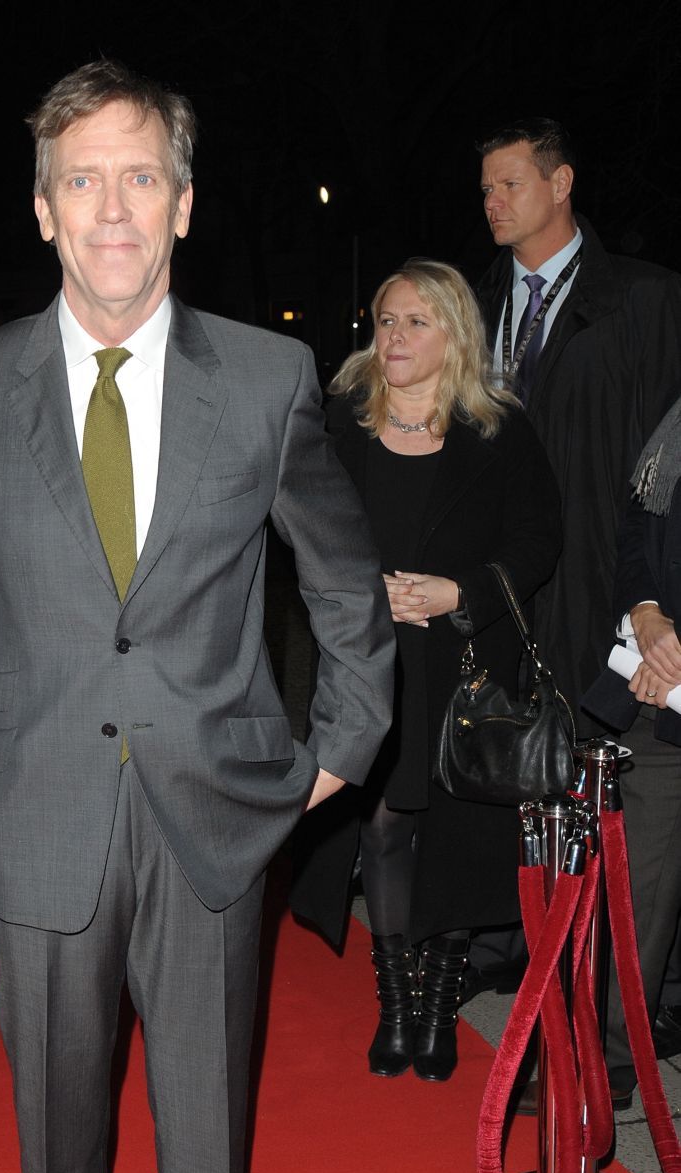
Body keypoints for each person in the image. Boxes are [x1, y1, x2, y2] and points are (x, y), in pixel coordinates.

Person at [0, 59, 393, 1173]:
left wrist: (341, 740)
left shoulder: (268, 378)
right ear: (43, 209)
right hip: (34, 806)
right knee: (57, 1119)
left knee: (206, 1116)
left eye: (138, 178)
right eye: (82, 180)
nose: (111, 208)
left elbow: (342, 582)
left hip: (211, 815)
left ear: (181, 203)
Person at [291, 261, 561, 1081]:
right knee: (380, 824)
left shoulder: (499, 430)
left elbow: (539, 540)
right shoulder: (340, 423)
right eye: (385, 320)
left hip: (464, 661)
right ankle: (397, 1004)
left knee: (455, 829)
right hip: (368, 661)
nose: (395, 336)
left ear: (455, 334)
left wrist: (460, 592)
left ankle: (439, 1003)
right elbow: (297, 530)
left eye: (416, 321)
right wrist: (357, 592)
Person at [477, 119, 681, 737]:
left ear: (561, 182)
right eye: (485, 189)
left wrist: (650, 602)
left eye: (510, 184)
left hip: (601, 587)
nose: (493, 202)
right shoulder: (467, 307)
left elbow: (666, 475)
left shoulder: (647, 299)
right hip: (496, 581)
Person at [583, 397, 681, 1106]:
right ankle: (614, 1058)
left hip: (669, 678)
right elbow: (639, 527)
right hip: (660, 695)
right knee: (637, 883)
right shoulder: (675, 420)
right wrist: (646, 617)